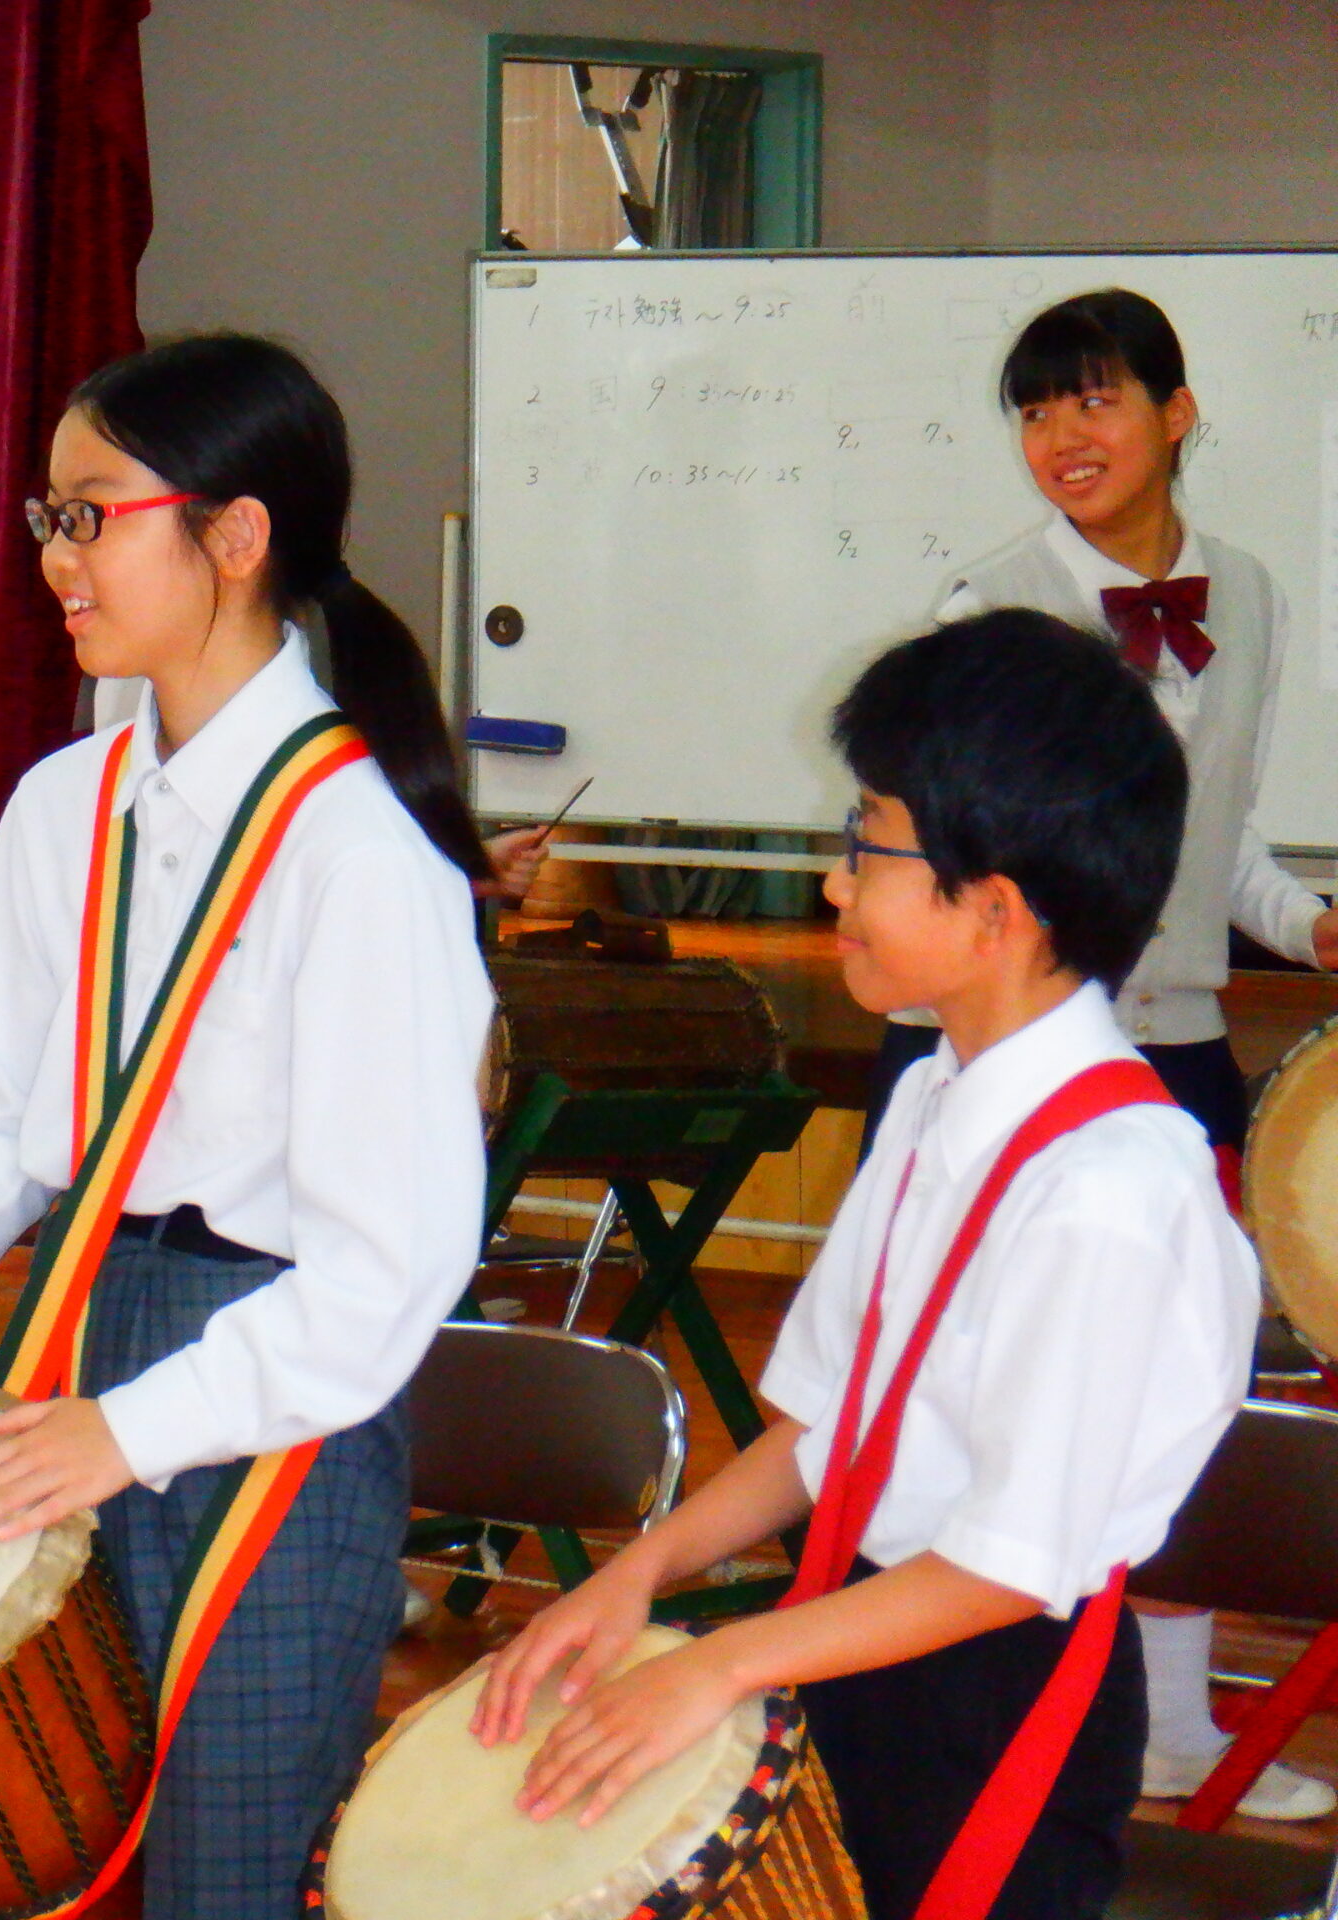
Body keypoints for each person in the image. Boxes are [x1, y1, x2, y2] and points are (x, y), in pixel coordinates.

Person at [0, 334, 493, 1919]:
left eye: (91, 515)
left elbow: (385, 1274)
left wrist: (129, 1434)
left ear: (237, 534)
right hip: (73, 1336)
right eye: (48, 518)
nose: (55, 558)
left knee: (218, 1880)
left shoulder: (359, 856)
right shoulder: (64, 808)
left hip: (274, 1401)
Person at [471, 611, 1255, 1920]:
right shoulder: (940, 1095)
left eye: (864, 849)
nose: (836, 887)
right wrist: (640, 1574)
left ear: (993, 911)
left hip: (1000, 1688)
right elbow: (826, 1431)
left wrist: (722, 1665)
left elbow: (1007, 1567)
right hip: (854, 1624)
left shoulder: (1109, 1195)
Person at [867, 288, 1337, 1820]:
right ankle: (960, 1715)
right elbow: (946, 849)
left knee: (1191, 1381)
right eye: (1035, 409)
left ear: (1176, 413)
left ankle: (1175, 1724)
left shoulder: (1249, 593)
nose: (1063, 436)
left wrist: (1306, 922)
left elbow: (1217, 829)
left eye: (1096, 399)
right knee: (975, 1390)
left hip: (1175, 1052)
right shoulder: (988, 610)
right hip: (1004, 1060)